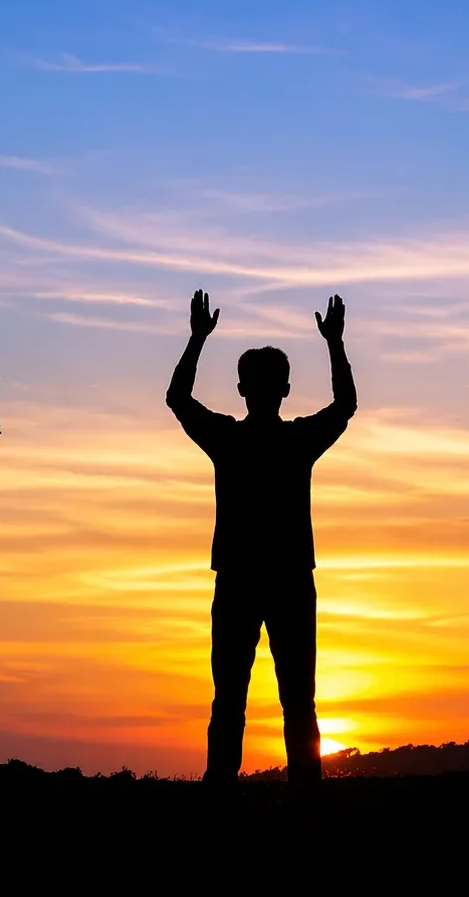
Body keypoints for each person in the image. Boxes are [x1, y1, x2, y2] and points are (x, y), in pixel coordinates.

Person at [165, 289, 357, 794]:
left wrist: (197, 339)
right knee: (297, 701)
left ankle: (221, 796)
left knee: (229, 697)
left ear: (242, 389)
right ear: (286, 390)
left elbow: (178, 400)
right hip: (288, 579)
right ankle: (305, 799)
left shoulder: (230, 440)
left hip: (239, 579)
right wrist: (335, 344)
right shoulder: (295, 442)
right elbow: (345, 406)